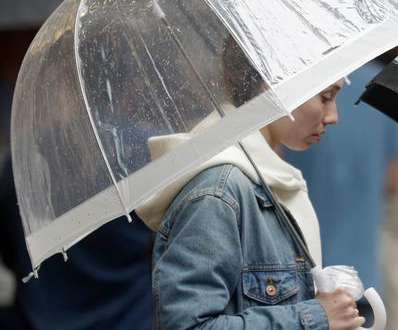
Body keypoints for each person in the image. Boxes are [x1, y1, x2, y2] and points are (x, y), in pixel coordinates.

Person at [138, 42, 364, 330]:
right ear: (274, 85)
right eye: (326, 96)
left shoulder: (267, 180)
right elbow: (188, 326)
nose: (333, 116)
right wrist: (315, 317)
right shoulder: (218, 193)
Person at [283, 60, 398, 294]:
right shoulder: (386, 85)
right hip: (361, 276)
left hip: (299, 276)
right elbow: (394, 180)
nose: (332, 116)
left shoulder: (294, 84)